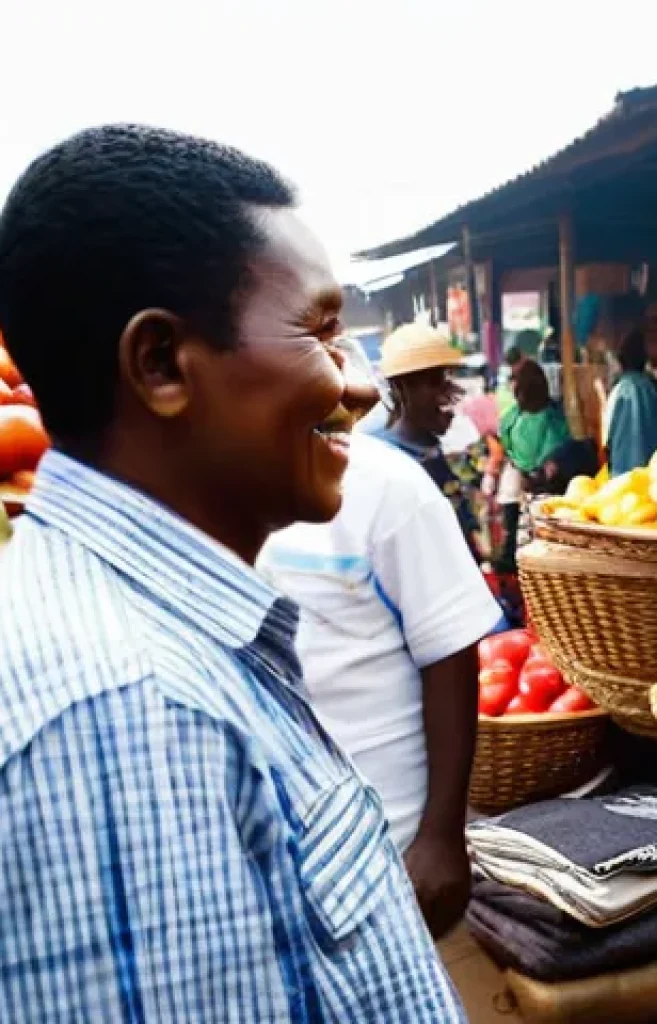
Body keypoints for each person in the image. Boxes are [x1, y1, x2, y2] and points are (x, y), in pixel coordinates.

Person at [0, 125, 465, 1022]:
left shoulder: (160, 648)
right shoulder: (131, 717)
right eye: (321, 333)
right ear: (163, 364)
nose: (358, 385)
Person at [260, 427, 503, 939]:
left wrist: (441, 835)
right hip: (270, 852)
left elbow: (450, 651)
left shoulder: (387, 485)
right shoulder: (189, 486)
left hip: (386, 841)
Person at [370, 322, 486, 562]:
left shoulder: (434, 448)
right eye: (435, 383)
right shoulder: (384, 462)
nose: (448, 395)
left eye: (448, 380)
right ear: (402, 388)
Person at [493, 359, 571, 571]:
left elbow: (555, 450)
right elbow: (505, 441)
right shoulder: (514, 416)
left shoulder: (552, 418)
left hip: (543, 485)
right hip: (523, 480)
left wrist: (535, 473)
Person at [604, 327, 657, 476]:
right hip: (656, 469)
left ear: (620, 361)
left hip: (621, 475)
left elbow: (606, 435)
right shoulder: (655, 388)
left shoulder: (618, 391)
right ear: (645, 359)